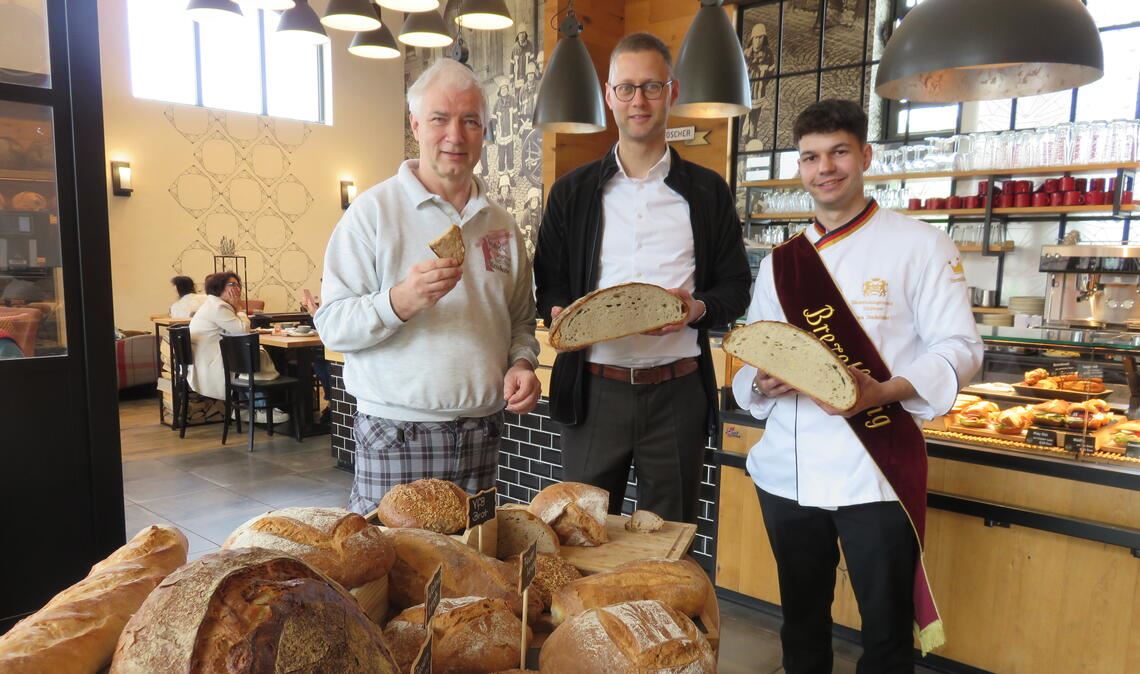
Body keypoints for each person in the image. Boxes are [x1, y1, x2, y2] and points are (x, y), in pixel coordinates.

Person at [732, 99, 983, 673]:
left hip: (876, 474)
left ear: (866, 155)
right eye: (811, 157)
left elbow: (961, 348)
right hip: (788, 475)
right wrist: (763, 381)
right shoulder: (781, 264)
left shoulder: (921, 246)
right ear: (801, 167)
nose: (826, 168)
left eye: (839, 152)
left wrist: (881, 391)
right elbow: (756, 353)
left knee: (887, 635)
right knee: (801, 625)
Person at [534, 33, 752, 524]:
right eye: (626, 88)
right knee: (581, 535)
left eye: (651, 87)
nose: (639, 100)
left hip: (676, 395)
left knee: (668, 547)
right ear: (609, 96)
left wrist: (694, 309)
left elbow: (736, 287)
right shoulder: (572, 193)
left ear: (672, 92)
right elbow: (547, 282)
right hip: (593, 393)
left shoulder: (707, 193)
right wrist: (557, 312)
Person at [315, 58, 541, 516]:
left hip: (482, 434)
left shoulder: (502, 225)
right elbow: (332, 326)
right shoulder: (371, 212)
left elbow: (520, 320)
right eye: (440, 119)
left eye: (470, 121)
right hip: (396, 434)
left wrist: (522, 362)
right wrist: (400, 301)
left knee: (475, 573)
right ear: (416, 124)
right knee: (389, 577)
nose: (455, 136)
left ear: (484, 131)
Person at [187, 272, 289, 424]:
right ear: (219, 288)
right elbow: (242, 330)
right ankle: (261, 408)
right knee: (253, 357)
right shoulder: (218, 307)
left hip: (207, 361)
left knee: (253, 355)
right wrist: (240, 309)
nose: (237, 289)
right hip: (214, 364)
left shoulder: (213, 304)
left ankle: (245, 409)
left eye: (238, 284)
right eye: (232, 285)